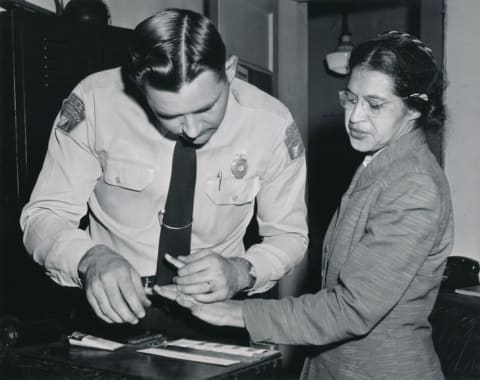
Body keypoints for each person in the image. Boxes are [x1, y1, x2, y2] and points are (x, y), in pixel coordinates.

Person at [157, 31, 454, 379]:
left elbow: (353, 309)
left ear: (415, 109)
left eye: (374, 104)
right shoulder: (382, 163)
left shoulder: (413, 185)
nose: (355, 116)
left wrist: (231, 312)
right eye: (350, 98)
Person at [20, 8, 308, 334]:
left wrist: (242, 271)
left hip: (219, 316)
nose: (192, 129)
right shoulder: (96, 102)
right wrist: (89, 259)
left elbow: (290, 235)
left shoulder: (271, 124)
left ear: (229, 71)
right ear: (138, 86)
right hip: (111, 315)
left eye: (206, 108)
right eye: (169, 115)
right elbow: (44, 215)